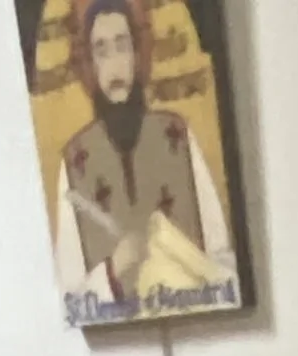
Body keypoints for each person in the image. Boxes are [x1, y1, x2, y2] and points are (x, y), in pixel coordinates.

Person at [49, 0, 238, 321]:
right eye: (101, 51)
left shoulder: (177, 136)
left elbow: (226, 265)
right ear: (90, 64)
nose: (114, 66)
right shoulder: (74, 162)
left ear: (138, 54)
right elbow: (72, 303)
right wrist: (113, 269)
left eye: (122, 46)